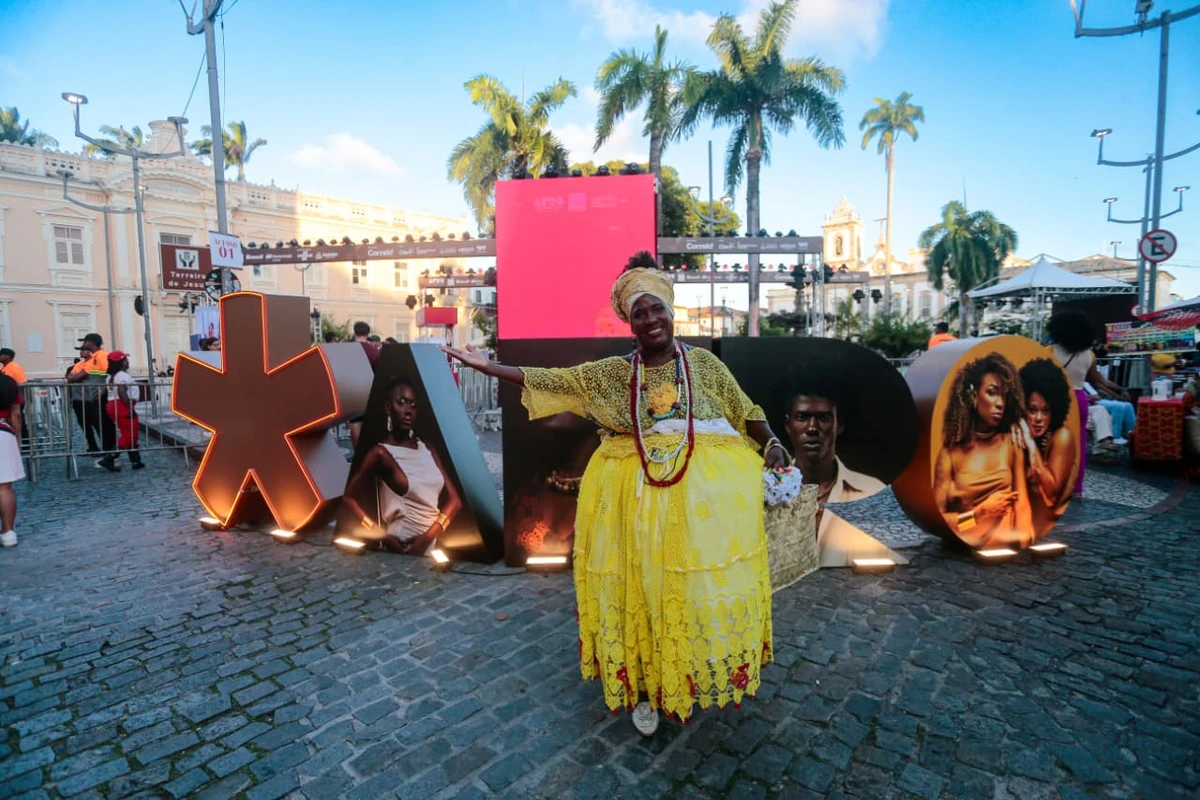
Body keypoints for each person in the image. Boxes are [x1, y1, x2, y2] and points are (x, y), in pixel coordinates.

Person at [443, 252, 786, 735]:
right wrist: (489, 367)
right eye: (638, 313)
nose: (649, 320)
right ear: (629, 322)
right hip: (629, 505)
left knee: (686, 587)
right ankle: (644, 683)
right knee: (638, 587)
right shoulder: (613, 374)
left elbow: (743, 409)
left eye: (656, 309)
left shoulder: (703, 367)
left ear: (671, 311)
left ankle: (683, 670)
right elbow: (555, 381)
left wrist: (769, 441)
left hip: (692, 508)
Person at [342, 376, 461, 556]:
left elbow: (455, 501)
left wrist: (428, 537)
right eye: (402, 403)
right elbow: (349, 497)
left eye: (413, 405)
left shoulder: (426, 447)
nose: (408, 411)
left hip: (429, 545)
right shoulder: (381, 453)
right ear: (389, 408)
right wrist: (382, 535)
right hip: (401, 544)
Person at [935, 352, 1033, 548]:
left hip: (1006, 551)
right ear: (973, 396)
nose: (1000, 403)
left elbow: (1022, 504)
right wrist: (979, 513)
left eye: (1004, 396)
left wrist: (1024, 546)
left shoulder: (1011, 443)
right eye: (992, 392)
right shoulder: (950, 454)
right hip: (967, 551)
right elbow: (942, 521)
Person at [1046, 310, 1125, 498]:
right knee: (1079, 445)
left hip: (1056, 399)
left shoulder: (1049, 352)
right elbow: (1099, 381)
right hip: (1080, 399)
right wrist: (1119, 391)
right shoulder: (1089, 355)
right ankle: (1077, 489)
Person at [784, 380, 885, 506]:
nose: (812, 428)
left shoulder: (872, 492)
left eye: (824, 418)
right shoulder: (764, 491)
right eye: (802, 417)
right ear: (788, 425)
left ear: (839, 425)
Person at [1017, 358, 1077, 534]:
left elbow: (1052, 490)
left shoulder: (1062, 437)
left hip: (1042, 520)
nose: (1038, 419)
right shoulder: (1018, 432)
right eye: (1032, 409)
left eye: (1045, 411)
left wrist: (1029, 443)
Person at [66, 334, 118, 471]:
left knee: (104, 427)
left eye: (85, 342)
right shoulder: (95, 357)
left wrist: (103, 390)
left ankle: (112, 457)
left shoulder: (101, 355)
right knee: (101, 426)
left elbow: (110, 373)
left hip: (100, 397)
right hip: (94, 397)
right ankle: (109, 456)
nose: (84, 345)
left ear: (90, 342)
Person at [105, 351, 144, 470]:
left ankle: (136, 461)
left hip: (113, 404)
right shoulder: (122, 376)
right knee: (130, 434)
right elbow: (122, 391)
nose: (128, 362)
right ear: (120, 363)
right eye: (125, 360)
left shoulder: (111, 377)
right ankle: (109, 459)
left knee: (128, 433)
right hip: (122, 405)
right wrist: (130, 408)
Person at [0, 373, 23, 547]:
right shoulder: (7, 383)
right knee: (4, 487)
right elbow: (16, 413)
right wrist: (17, 437)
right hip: (3, 431)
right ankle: (8, 532)